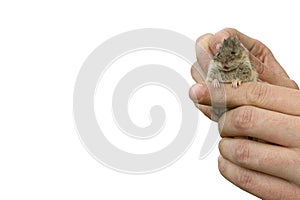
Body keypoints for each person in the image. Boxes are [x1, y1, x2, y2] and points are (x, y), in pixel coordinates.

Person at [189, 28, 300, 199]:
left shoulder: (244, 64)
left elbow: (250, 73)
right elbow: (212, 75)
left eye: (231, 55)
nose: (225, 62)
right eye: (221, 57)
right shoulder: (217, 64)